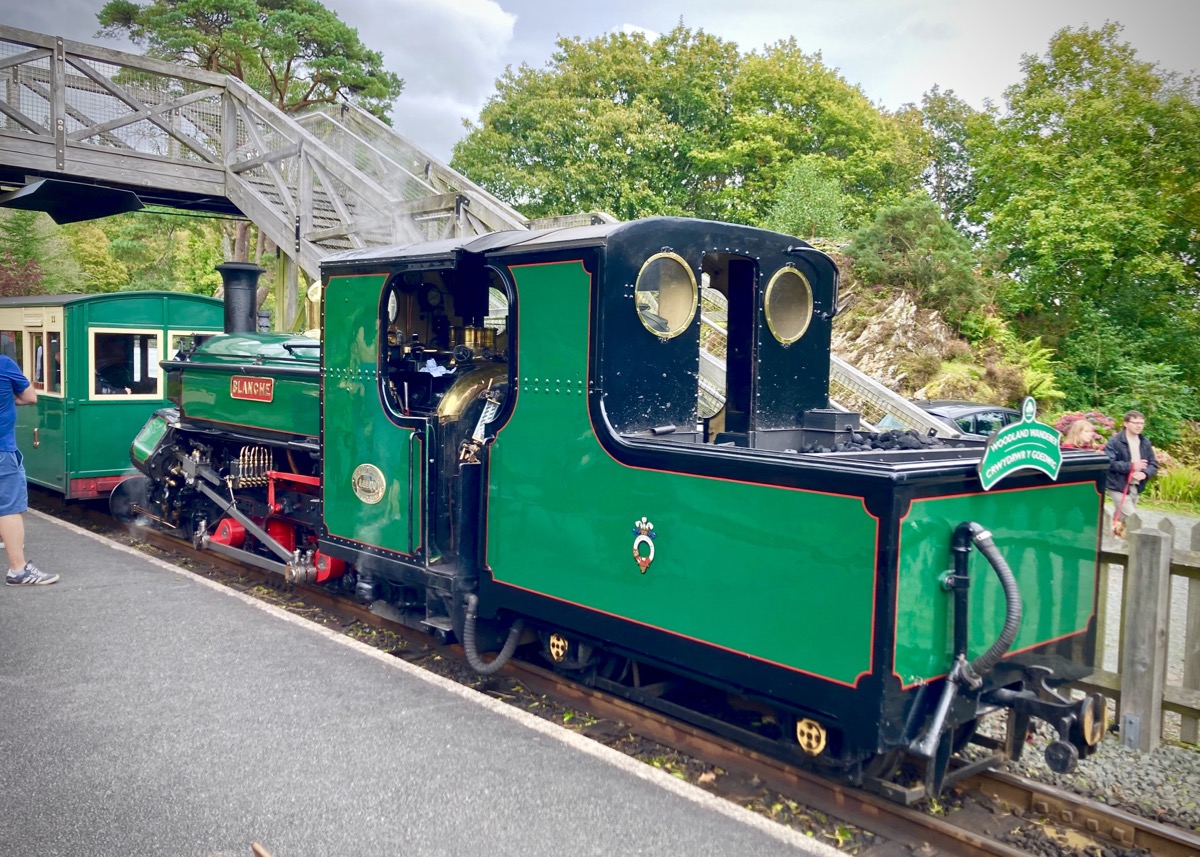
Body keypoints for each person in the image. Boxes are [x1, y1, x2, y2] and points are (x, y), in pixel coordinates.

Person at [0, 353, 57, 585]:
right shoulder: (4, 364)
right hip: (2, 450)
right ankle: (18, 570)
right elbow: (30, 397)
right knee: (9, 507)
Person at [1104, 410, 1158, 527]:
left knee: (1121, 519)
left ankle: (1114, 538)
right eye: (1135, 422)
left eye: (1142, 423)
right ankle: (1131, 543)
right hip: (1118, 485)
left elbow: (1153, 463)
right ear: (1126, 423)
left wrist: (1145, 473)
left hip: (1136, 486)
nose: (1139, 426)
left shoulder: (1145, 442)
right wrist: (1132, 466)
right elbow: (1110, 463)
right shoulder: (1115, 441)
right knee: (1132, 518)